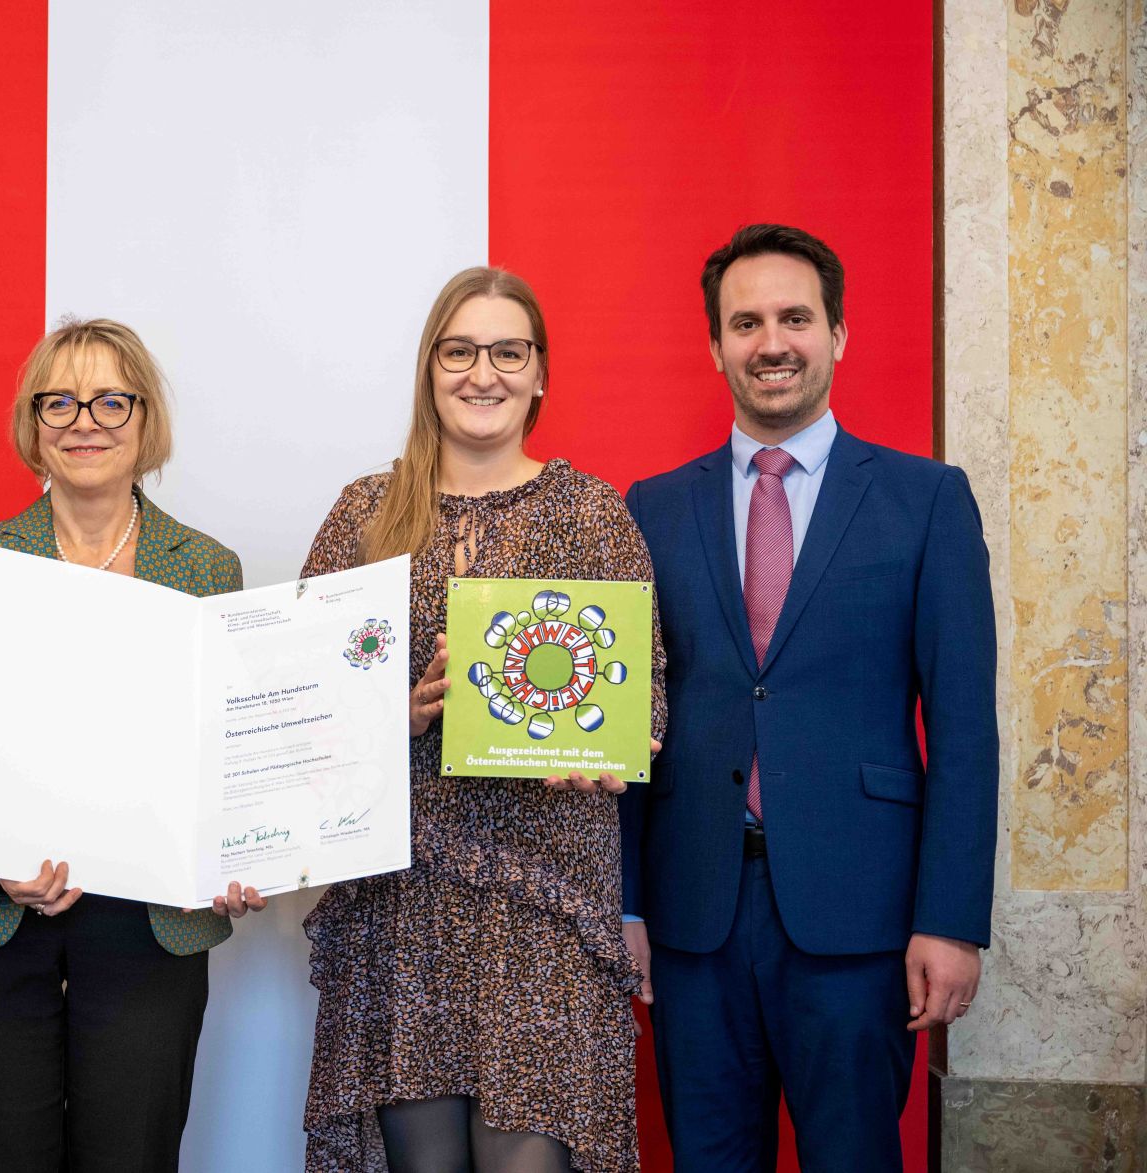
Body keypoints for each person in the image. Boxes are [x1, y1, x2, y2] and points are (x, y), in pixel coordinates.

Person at [618, 223, 999, 1172]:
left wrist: (950, 917)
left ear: (839, 333)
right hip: (694, 915)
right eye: (745, 322)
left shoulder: (926, 500)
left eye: (795, 316)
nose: (771, 341)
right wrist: (624, 904)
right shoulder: (651, 509)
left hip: (861, 919)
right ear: (715, 345)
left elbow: (963, 731)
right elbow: (624, 724)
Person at [300, 267, 667, 1173]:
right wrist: (398, 712)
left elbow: (644, 686)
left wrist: (619, 743)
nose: (483, 373)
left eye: (508, 351)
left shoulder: (593, 514)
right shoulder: (365, 512)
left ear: (540, 373)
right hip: (401, 899)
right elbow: (301, 695)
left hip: (546, 897)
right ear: (430, 370)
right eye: (459, 351)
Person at [0, 317, 265, 1172]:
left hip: (152, 929)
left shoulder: (207, 567)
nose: (83, 420)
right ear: (33, 423)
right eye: (57, 401)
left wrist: (243, 848)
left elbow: (232, 759)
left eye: (109, 399)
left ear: (145, 419)